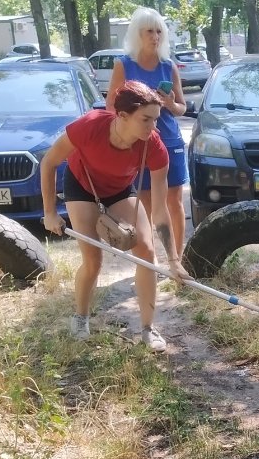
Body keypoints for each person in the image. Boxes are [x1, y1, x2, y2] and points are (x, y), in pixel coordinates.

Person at [41, 81, 189, 352]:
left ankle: (147, 328)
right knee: (93, 260)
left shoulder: (154, 147)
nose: (153, 128)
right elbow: (49, 162)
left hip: (119, 189)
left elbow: (159, 209)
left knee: (146, 251)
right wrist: (49, 212)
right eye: (146, 120)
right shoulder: (89, 126)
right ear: (122, 116)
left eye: (156, 119)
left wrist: (174, 260)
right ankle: (81, 317)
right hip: (83, 186)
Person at [106, 6, 188, 255]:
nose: (155, 36)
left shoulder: (168, 67)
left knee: (173, 201)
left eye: (159, 31)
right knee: (146, 204)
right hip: (137, 142)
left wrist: (170, 103)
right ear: (137, 35)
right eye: (149, 31)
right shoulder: (123, 65)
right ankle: (148, 260)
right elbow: (111, 106)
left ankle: (178, 259)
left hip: (169, 140)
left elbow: (181, 108)